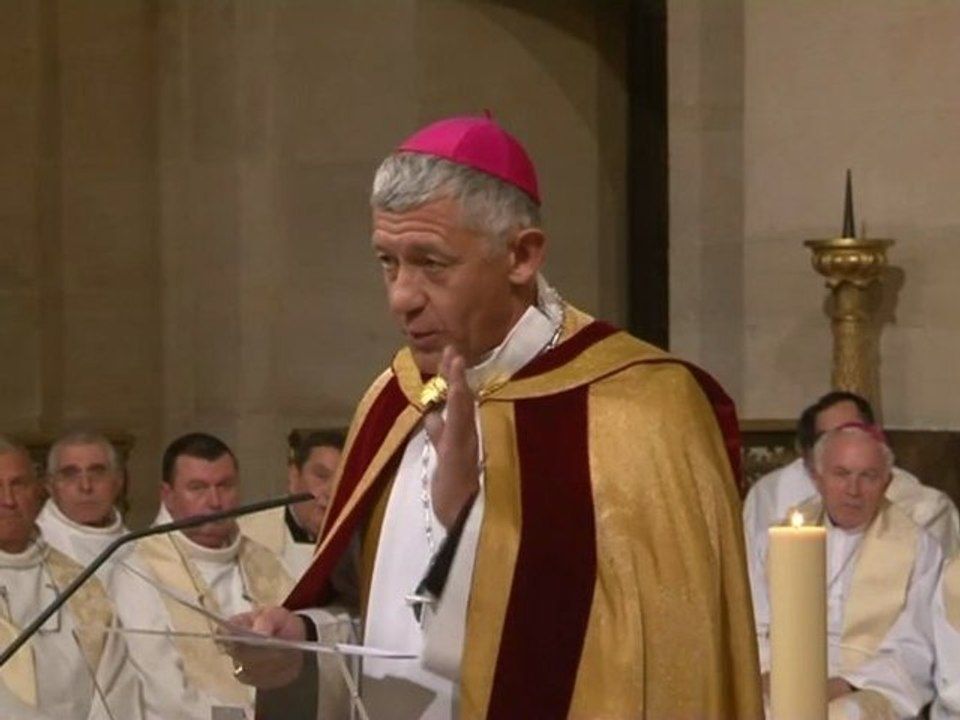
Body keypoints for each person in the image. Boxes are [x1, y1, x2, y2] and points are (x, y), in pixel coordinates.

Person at [231, 115, 763, 719]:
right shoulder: (394, 400)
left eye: (431, 263)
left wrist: (469, 519)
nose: (402, 295)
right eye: (388, 262)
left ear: (521, 255)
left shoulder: (643, 407)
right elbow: (374, 615)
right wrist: (301, 642)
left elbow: (653, 655)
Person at [109, 432, 324, 720]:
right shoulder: (139, 570)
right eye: (197, 488)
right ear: (168, 496)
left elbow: (305, 655)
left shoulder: (265, 562)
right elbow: (164, 692)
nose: (214, 501)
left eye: (225, 486)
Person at [749, 424, 942, 719]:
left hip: (864, 686)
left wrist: (846, 685)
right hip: (781, 675)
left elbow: (916, 644)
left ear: (887, 482)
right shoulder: (777, 538)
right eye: (841, 474)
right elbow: (754, 623)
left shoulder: (918, 547)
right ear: (817, 477)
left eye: (868, 476)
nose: (853, 490)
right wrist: (768, 674)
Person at [0, 436, 143, 720]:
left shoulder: (82, 587)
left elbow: (117, 690)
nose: (8, 500)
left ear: (39, 491)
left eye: (19, 484)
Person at [743, 391, 959, 558]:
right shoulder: (772, 495)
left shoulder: (925, 510)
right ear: (811, 462)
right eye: (834, 438)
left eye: (856, 431)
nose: (853, 489)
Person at [239, 429, 346, 580]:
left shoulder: (359, 541)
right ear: (294, 477)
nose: (332, 492)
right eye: (321, 476)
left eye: (343, 481)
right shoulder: (247, 535)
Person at [36, 431, 128, 580]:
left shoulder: (140, 548)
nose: (85, 486)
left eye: (97, 473)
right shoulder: (33, 548)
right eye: (70, 475)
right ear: (50, 486)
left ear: (118, 481)